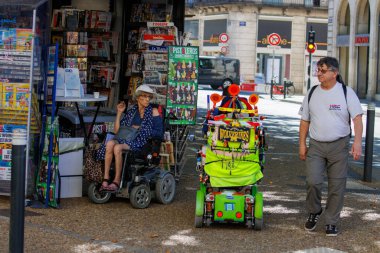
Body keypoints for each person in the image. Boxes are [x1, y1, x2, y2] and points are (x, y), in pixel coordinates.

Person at [298, 57, 363, 236]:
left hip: (339, 145)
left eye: (323, 70)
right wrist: (302, 144)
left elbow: (357, 119)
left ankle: (331, 221)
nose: (318, 73)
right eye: (318, 70)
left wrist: (357, 143)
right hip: (316, 145)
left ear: (335, 73)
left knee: (337, 186)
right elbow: (304, 121)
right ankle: (314, 211)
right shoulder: (312, 92)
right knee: (313, 181)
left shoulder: (346, 92)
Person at [98, 84, 163, 191]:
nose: (147, 99)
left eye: (149, 97)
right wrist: (119, 113)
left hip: (142, 143)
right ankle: (105, 179)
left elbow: (159, 133)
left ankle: (117, 181)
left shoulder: (153, 111)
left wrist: (140, 129)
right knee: (109, 143)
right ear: (138, 97)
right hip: (127, 139)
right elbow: (117, 131)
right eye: (145, 96)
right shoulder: (132, 112)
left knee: (117, 147)